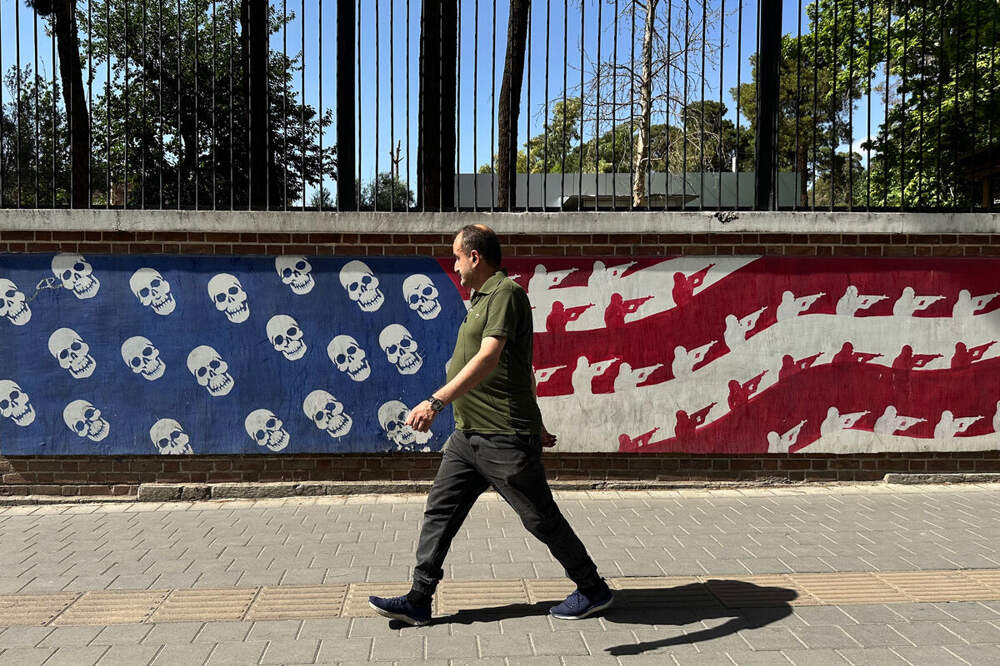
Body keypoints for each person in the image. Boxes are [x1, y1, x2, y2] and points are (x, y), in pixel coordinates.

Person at [368, 224, 613, 626]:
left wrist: (436, 401)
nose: (455, 266)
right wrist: (538, 417)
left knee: (540, 518)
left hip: (503, 436)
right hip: (467, 436)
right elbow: (523, 369)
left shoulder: (506, 294)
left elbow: (490, 357)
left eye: (457, 257)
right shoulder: (481, 300)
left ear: (475, 257)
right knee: (440, 511)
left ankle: (593, 589)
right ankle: (418, 599)